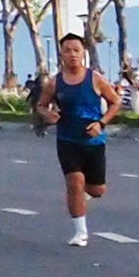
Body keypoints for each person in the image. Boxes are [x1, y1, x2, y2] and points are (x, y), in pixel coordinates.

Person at [36, 31, 118, 244]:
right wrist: (48, 115)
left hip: (93, 141)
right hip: (67, 140)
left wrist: (101, 123)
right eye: (67, 50)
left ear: (83, 53)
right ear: (61, 54)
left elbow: (115, 102)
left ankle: (81, 196)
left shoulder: (96, 79)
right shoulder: (55, 83)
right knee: (75, 182)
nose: (72, 54)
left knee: (97, 190)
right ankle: (80, 232)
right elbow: (41, 105)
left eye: (76, 50)